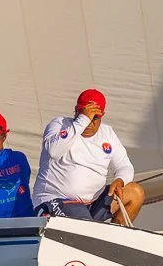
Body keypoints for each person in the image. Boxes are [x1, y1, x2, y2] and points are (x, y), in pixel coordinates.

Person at [33, 88, 144, 225]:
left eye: (95, 117)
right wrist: (82, 120)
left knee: (135, 192)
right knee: (87, 224)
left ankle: (115, 239)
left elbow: (125, 166)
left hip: (91, 203)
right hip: (56, 200)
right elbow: (54, 151)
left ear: (102, 115)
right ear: (76, 110)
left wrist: (120, 180)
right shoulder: (59, 124)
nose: (89, 122)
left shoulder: (107, 133)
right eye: (84, 114)